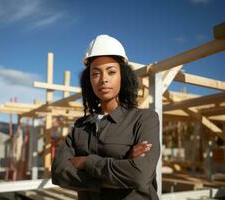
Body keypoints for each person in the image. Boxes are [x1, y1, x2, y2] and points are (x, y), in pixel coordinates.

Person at [52, 34, 160, 199]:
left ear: (122, 76)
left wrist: (85, 162)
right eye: (95, 74)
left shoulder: (145, 119)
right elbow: (59, 172)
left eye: (111, 72)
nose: (103, 80)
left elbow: (140, 175)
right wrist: (123, 164)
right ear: (89, 80)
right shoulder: (81, 126)